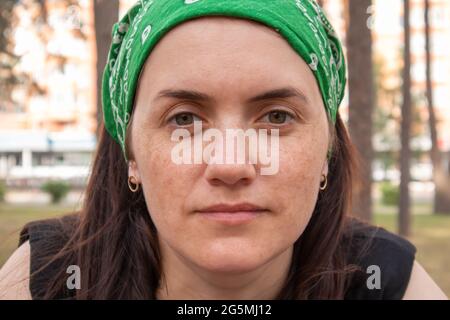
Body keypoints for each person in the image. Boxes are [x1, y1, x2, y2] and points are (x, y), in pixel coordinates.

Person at [0, 0, 447, 300]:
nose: (230, 164)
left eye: (276, 117)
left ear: (327, 148)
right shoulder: (53, 278)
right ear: (131, 154)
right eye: (184, 120)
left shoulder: (379, 281)